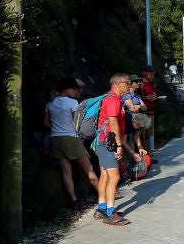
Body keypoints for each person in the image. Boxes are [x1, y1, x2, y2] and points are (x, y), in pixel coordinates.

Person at [44, 77, 98, 210]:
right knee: (88, 168)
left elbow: (46, 123)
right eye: (75, 89)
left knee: (66, 172)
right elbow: (78, 122)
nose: (76, 91)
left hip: (55, 139)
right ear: (67, 89)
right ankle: (103, 194)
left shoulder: (50, 103)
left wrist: (59, 128)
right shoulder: (72, 102)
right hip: (71, 138)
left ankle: (74, 201)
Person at [93, 73, 132, 226]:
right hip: (107, 143)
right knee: (114, 177)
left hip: (102, 142)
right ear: (117, 84)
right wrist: (119, 145)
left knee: (105, 175)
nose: (129, 86)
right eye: (127, 83)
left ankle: (101, 209)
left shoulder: (111, 98)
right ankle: (110, 214)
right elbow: (113, 123)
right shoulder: (112, 100)